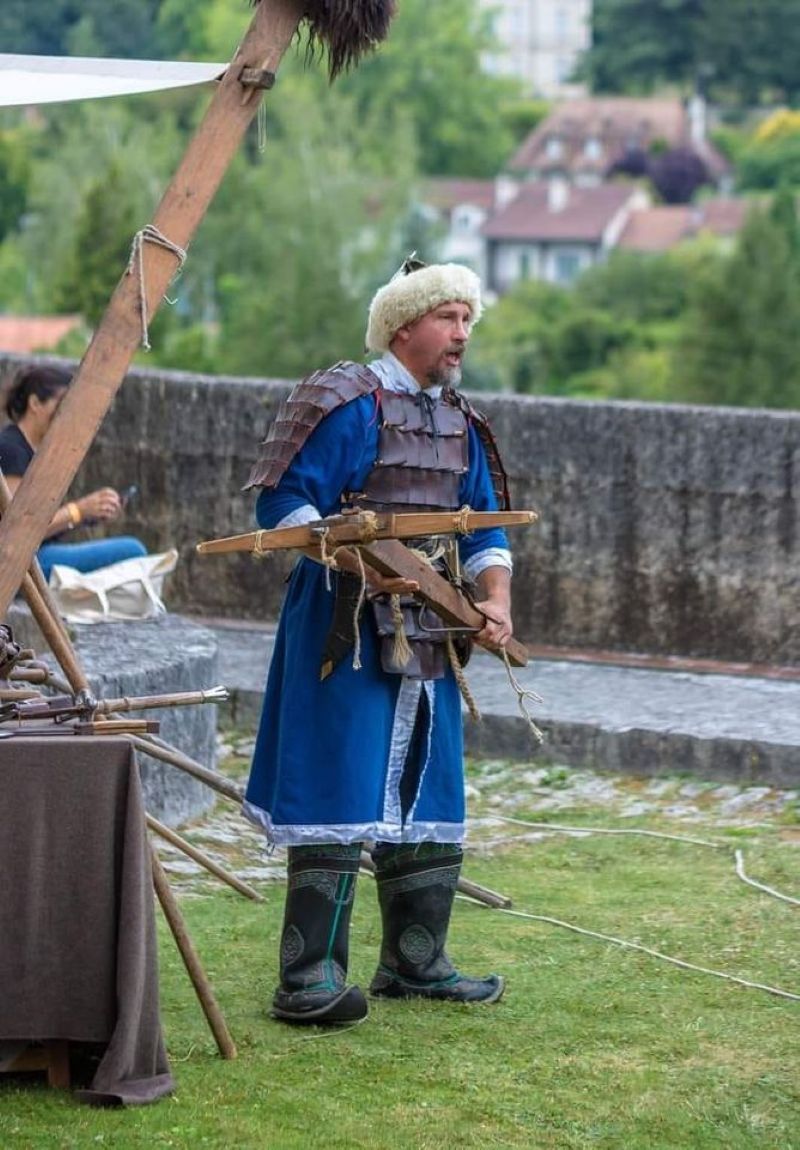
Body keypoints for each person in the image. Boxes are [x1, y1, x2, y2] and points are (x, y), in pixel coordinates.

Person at [243, 258, 515, 1026]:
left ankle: (415, 962)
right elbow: (285, 504)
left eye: (468, 318)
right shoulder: (344, 403)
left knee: (429, 785)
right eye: (448, 317)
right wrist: (362, 560)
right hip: (344, 626)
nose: (462, 333)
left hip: (433, 630)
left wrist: (494, 602)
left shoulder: (461, 420)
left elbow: (486, 526)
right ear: (404, 326)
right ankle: (308, 980)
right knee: (337, 778)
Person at [0, 365, 147, 580]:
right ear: (35, 404)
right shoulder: (11, 448)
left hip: (33, 556)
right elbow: (15, 532)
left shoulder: (36, 451)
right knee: (133, 551)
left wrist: (88, 515)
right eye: (62, 405)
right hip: (16, 563)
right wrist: (78, 510)